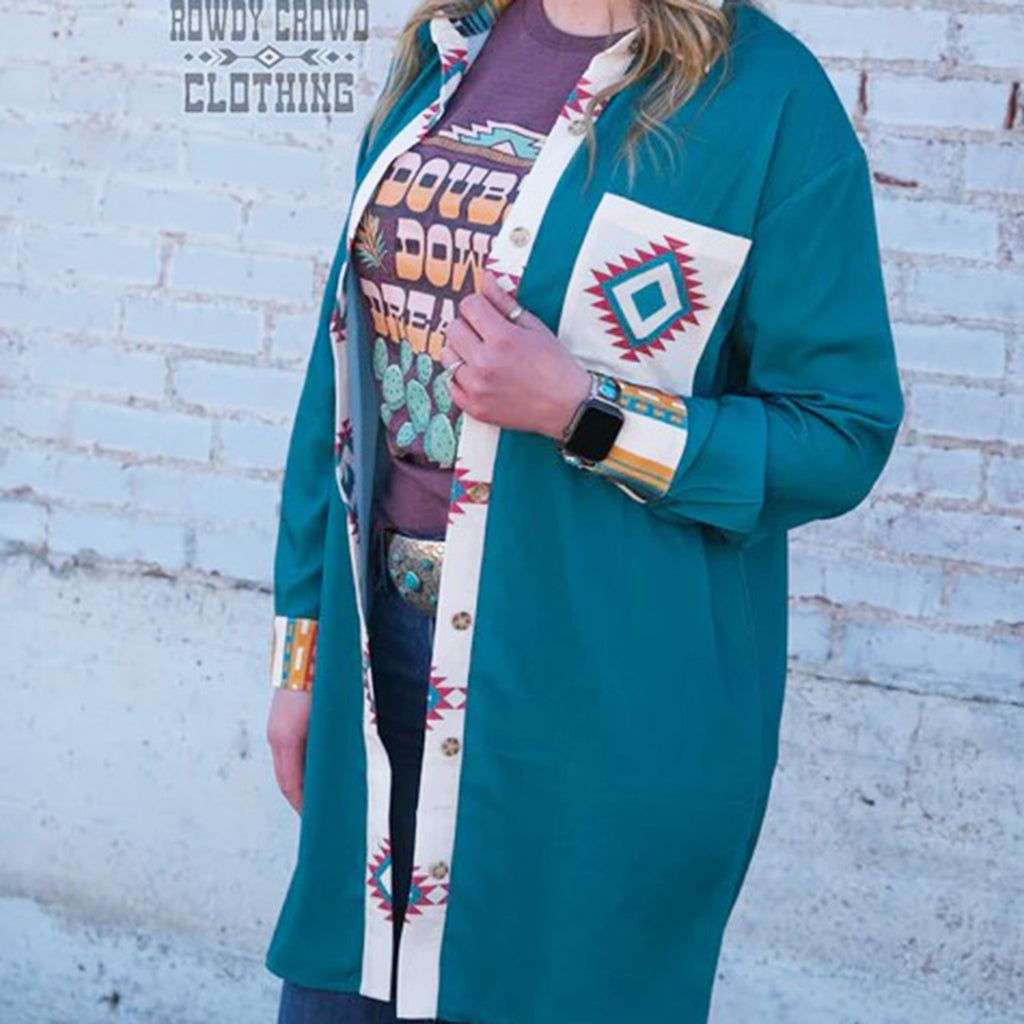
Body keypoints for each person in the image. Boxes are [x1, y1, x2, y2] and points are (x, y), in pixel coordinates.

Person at [264, 0, 905, 1021]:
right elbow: (338, 387)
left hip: (599, 706)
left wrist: (585, 412)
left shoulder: (768, 101)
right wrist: (299, 660)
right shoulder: (444, 52)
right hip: (379, 668)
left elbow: (841, 433)